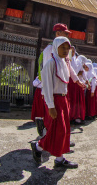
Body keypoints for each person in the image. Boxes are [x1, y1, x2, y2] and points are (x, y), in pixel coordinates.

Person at [30, 37, 85, 168]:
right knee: (59, 129)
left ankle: (59, 159)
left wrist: (77, 81)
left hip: (63, 99)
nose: (66, 51)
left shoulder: (64, 62)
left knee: (64, 130)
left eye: (68, 48)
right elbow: (47, 86)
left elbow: (71, 72)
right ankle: (38, 147)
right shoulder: (51, 63)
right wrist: (50, 106)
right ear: (56, 47)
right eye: (63, 48)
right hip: (54, 100)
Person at [36, 23, 72, 132]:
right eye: (65, 33)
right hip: (52, 90)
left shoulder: (66, 50)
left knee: (62, 119)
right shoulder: (49, 50)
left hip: (62, 88)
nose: (67, 36)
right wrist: (45, 93)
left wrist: (76, 80)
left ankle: (60, 141)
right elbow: (47, 74)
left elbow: (69, 66)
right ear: (58, 33)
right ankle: (45, 140)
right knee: (53, 119)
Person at [69, 55, 87, 124]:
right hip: (76, 85)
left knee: (75, 100)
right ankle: (76, 116)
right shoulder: (78, 63)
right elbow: (75, 73)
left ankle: (74, 116)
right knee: (77, 101)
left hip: (75, 84)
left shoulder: (77, 63)